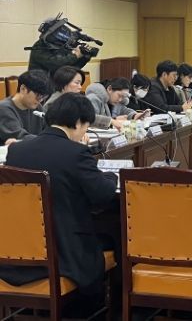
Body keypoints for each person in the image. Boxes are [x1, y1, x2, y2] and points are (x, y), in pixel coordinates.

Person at [0, 93, 117, 316]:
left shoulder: (17, 150)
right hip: (65, 254)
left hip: (18, 254)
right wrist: (111, 177)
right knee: (113, 237)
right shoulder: (76, 153)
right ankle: (98, 309)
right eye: (86, 126)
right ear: (79, 122)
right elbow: (102, 194)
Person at [0, 70, 50, 145]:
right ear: (23, 89)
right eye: (38, 95)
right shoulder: (3, 109)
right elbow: (19, 136)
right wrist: (48, 140)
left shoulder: (37, 106)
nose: (40, 100)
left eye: (44, 97)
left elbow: (48, 130)